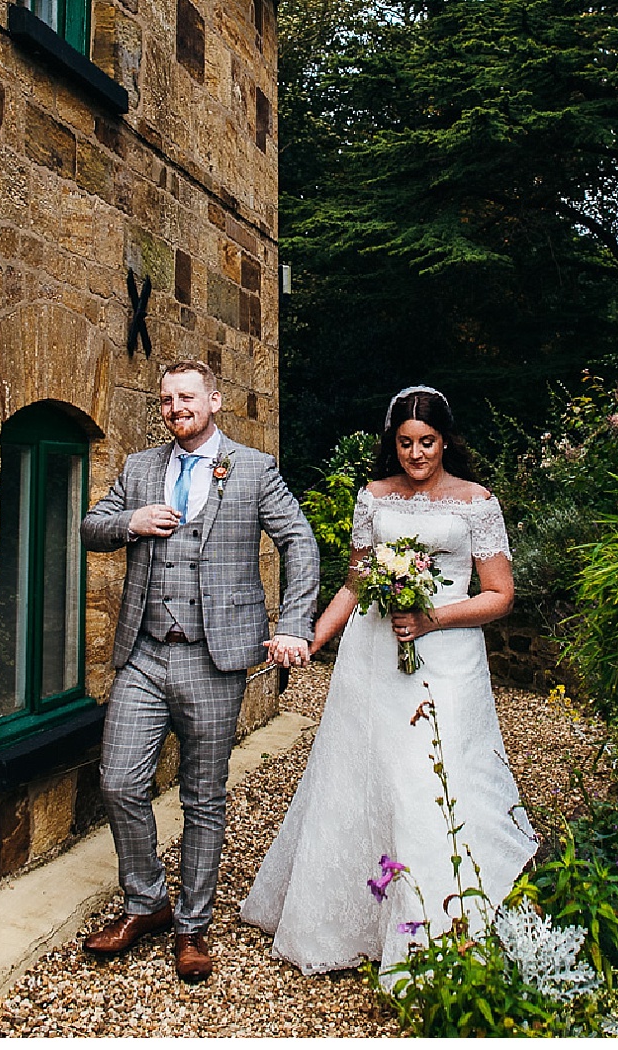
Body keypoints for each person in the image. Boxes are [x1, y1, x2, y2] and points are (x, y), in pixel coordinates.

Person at [240, 385, 536, 973]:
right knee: (370, 773)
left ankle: (448, 921)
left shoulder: (476, 502)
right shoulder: (373, 497)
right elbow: (354, 584)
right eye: (404, 443)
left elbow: (501, 595)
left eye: (427, 442)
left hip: (447, 655)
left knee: (435, 773)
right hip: (374, 654)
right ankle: (368, 918)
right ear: (391, 443)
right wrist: (311, 638)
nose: (416, 454)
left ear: (445, 440)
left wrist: (432, 619)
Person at [77, 360, 319, 984]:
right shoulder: (138, 469)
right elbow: (90, 526)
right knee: (119, 781)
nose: (175, 406)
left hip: (215, 658)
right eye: (166, 399)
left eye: (186, 396)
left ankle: (192, 924)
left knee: (203, 796)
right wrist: (129, 523)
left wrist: (294, 622)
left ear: (213, 399)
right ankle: (147, 901)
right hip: (145, 653)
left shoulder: (254, 468)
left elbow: (299, 540)